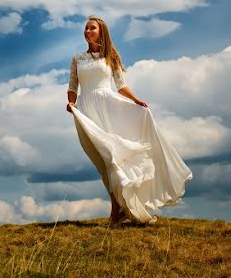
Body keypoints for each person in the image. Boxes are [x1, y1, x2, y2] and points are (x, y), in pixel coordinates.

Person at [66, 17, 191, 225]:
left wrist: (135, 100)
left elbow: (120, 85)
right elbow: (73, 86)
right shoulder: (77, 59)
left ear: (101, 31)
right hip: (87, 111)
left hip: (110, 108)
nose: (88, 31)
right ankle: (121, 208)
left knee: (112, 158)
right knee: (103, 161)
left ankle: (116, 212)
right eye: (86, 28)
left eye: (92, 28)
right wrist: (71, 103)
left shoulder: (111, 56)